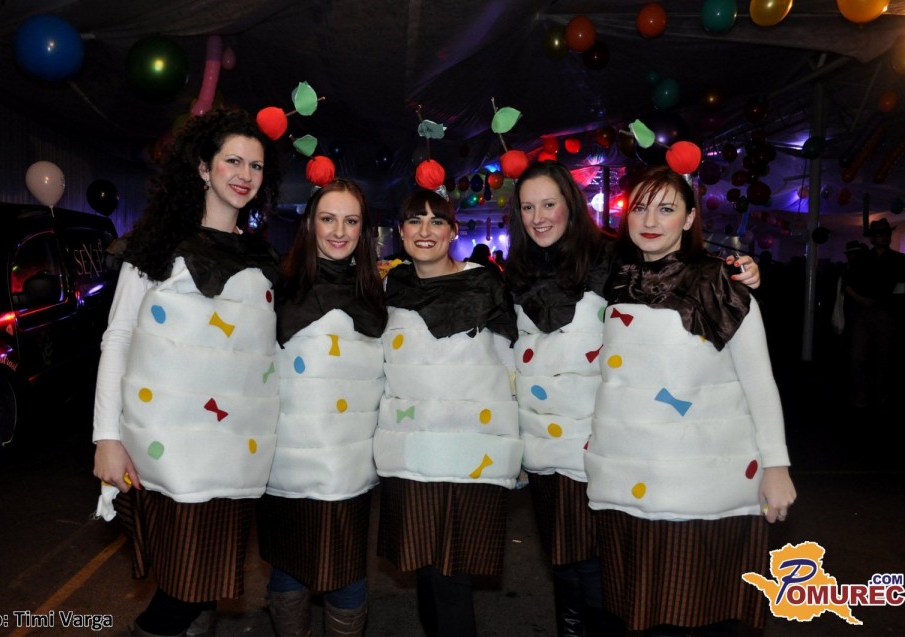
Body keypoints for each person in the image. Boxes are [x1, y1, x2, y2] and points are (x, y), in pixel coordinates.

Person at [505, 161, 760, 637]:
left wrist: (734, 271)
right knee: (563, 562)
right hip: (542, 443)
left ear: (571, 206)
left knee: (602, 569)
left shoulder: (613, 261)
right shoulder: (516, 270)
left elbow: (675, 273)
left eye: (549, 204)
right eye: (527, 207)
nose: (538, 217)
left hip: (604, 443)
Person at [92, 107, 282, 637]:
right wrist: (106, 437)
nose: (245, 175)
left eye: (256, 166)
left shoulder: (262, 258)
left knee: (207, 583)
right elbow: (118, 338)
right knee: (183, 587)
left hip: (237, 453)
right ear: (203, 167)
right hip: (168, 449)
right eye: (233, 161)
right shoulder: (154, 246)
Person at [584, 165, 796, 637]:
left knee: (699, 617)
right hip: (627, 484)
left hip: (702, 488)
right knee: (637, 614)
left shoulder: (721, 283)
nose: (650, 220)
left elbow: (759, 380)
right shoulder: (615, 282)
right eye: (640, 207)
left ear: (690, 218)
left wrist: (776, 466)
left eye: (666, 209)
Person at [373, 189, 521, 637]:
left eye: (437, 221)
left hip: (470, 453)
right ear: (401, 232)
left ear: (453, 231)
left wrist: (514, 448)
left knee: (451, 575)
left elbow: (510, 367)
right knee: (424, 569)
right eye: (414, 220)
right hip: (411, 451)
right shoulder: (391, 288)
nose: (425, 230)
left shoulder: (485, 284)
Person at [257, 178, 388, 637]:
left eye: (351, 221)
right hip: (285, 462)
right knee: (288, 568)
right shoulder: (277, 286)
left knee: (346, 573)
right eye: (328, 219)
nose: (339, 231)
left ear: (363, 230)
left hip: (349, 466)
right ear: (310, 223)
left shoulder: (377, 291)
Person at [842, 217, 905, 411]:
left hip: (888, 314)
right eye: (880, 234)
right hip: (863, 313)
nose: (885, 237)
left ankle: (881, 396)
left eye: (886, 234)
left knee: (885, 357)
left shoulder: (901, 260)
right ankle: (862, 396)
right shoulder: (862, 260)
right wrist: (861, 300)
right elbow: (847, 285)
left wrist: (898, 305)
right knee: (858, 357)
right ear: (872, 238)